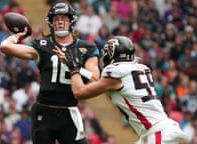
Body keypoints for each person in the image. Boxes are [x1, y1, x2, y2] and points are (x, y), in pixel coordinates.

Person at [0, 0, 100, 144]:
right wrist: (19, 35)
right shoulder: (43, 45)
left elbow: (95, 81)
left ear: (72, 21)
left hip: (69, 111)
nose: (60, 22)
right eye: (56, 19)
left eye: (64, 18)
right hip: (43, 111)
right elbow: (5, 47)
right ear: (51, 23)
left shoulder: (87, 48)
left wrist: (73, 66)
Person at [58, 36, 187, 144]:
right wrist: (79, 69)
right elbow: (101, 84)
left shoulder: (115, 72)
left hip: (156, 132)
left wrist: (74, 69)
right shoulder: (137, 68)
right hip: (157, 131)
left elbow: (79, 92)